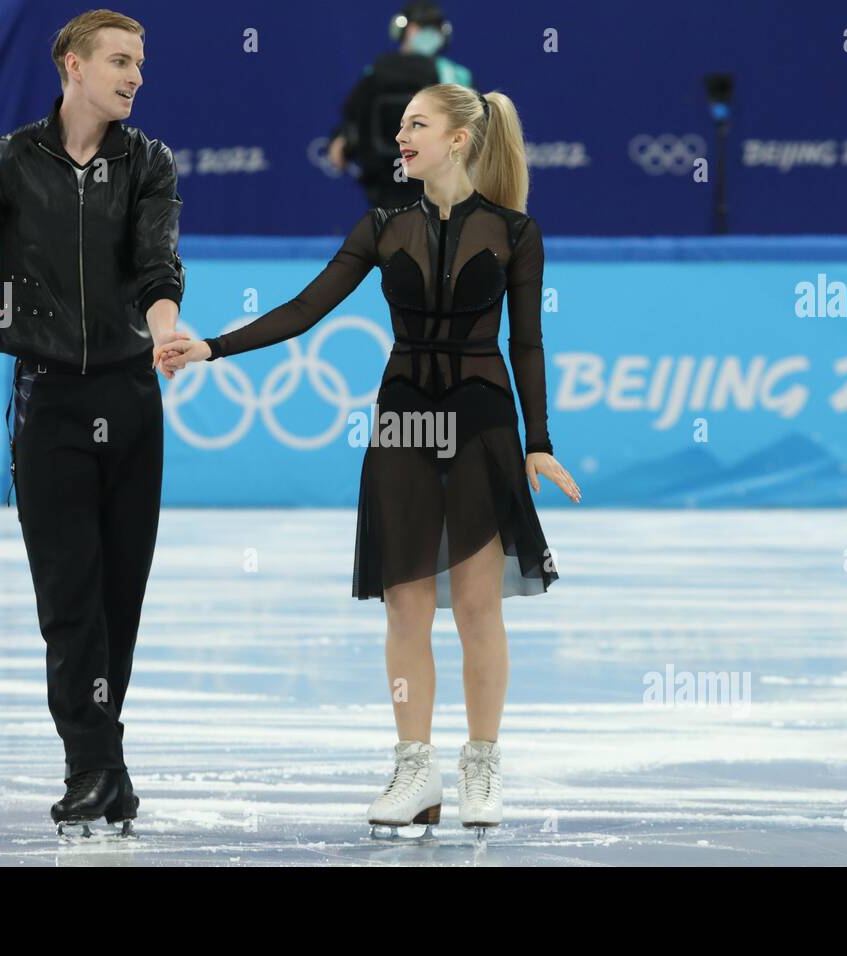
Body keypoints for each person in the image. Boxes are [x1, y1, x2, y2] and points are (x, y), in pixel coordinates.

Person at [155, 83, 581, 838]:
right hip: (403, 428)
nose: (401, 140)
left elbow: (526, 344)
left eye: (416, 126)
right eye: (402, 128)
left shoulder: (516, 231)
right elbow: (305, 308)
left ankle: (481, 762)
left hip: (482, 426)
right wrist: (214, 345)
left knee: (478, 607)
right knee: (406, 606)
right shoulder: (383, 226)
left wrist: (538, 440)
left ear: (458, 139)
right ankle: (414, 767)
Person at [0, 9, 185, 836]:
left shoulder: (148, 161)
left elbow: (156, 264)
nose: (135, 76)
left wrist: (162, 333)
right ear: (72, 65)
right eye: (120, 60)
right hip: (49, 406)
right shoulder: (7, 161)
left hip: (130, 398)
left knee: (121, 595)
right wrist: (20, 310)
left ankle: (104, 763)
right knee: (68, 597)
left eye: (140, 64)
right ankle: (91, 768)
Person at [327, 2, 476, 209]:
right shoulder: (455, 76)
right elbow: (353, 118)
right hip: (400, 181)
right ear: (405, 30)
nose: (425, 34)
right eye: (419, 27)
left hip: (398, 186)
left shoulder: (376, 72)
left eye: (431, 28)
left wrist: (341, 140)